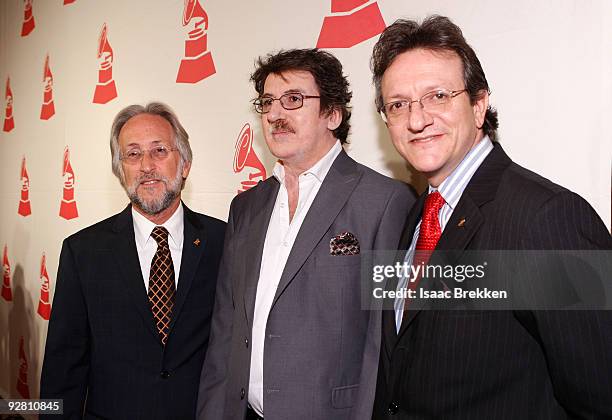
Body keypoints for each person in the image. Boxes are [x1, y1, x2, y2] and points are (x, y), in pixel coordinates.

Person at [370, 15, 612, 419]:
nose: (417, 119)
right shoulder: (416, 213)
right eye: (398, 105)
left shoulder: (547, 218)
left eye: (438, 96)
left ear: (479, 105)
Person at [197, 49, 415, 420]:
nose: (275, 115)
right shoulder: (246, 207)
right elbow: (226, 329)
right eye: (267, 103)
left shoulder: (384, 201)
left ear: (332, 113)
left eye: (294, 100)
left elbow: (381, 345)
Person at [40, 102, 226, 419]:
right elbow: (64, 368)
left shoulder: (224, 242)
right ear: (120, 170)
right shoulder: (83, 251)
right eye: (133, 154)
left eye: (159, 151)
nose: (146, 166)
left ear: (185, 164)